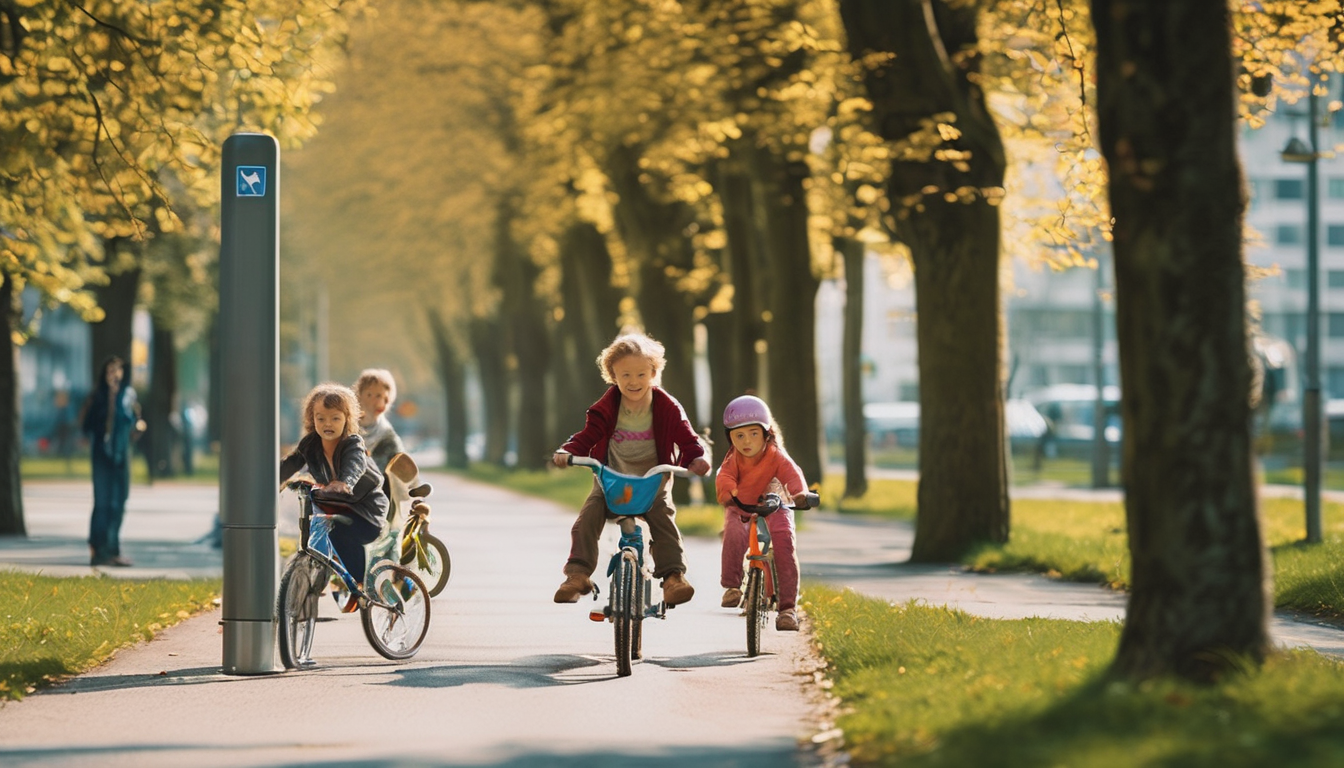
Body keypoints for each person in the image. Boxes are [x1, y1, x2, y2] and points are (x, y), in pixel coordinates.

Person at [552, 332, 711, 605]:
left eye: (640, 374)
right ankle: (577, 575)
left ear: (653, 373)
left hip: (652, 481)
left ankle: (673, 578)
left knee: (663, 523)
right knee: (587, 519)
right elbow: (588, 435)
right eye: (625, 375)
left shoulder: (666, 407)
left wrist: (696, 458)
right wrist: (569, 452)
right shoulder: (607, 406)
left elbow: (687, 437)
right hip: (612, 479)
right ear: (613, 375)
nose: (633, 382)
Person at [279, 383, 389, 612]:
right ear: (312, 419)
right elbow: (289, 465)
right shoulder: (310, 444)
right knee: (313, 532)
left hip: (364, 511)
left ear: (347, 419)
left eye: (335, 418)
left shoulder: (353, 443)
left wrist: (344, 483)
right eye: (321, 418)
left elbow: (355, 466)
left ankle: (360, 584)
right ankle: (309, 588)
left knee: (337, 532)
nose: (327, 424)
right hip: (334, 506)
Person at [715, 394, 809, 631]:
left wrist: (800, 494)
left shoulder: (775, 454)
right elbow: (724, 476)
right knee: (734, 532)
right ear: (731, 438)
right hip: (742, 505)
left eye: (753, 433)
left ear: (766, 433)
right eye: (739, 435)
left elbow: (792, 473)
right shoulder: (733, 459)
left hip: (775, 503)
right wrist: (727, 490)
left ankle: (787, 610)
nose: (747, 441)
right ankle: (732, 587)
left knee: (784, 540)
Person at [80, 355, 144, 567]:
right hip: (102, 454)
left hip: (121, 453)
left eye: (118, 370)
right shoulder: (98, 396)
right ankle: (98, 549)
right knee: (103, 502)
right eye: (110, 371)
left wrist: (137, 427)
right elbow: (87, 425)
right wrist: (107, 403)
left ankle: (113, 548)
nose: (114, 375)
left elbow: (134, 422)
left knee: (119, 502)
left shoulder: (128, 396)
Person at [354, 368, 406, 473]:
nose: (380, 403)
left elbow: (402, 465)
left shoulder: (387, 435)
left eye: (385, 398)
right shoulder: (345, 426)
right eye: (374, 396)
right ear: (359, 396)